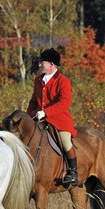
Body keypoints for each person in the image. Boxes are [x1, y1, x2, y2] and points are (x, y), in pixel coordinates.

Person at [27, 48, 78, 185]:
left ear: (51, 64)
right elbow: (33, 101)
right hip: (39, 119)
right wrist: (28, 117)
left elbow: (64, 102)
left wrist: (46, 112)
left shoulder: (63, 81)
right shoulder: (38, 80)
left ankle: (73, 172)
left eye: (41, 62)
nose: (39, 65)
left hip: (59, 121)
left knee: (65, 141)